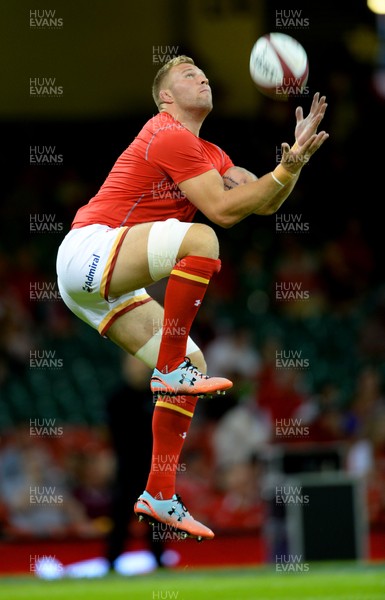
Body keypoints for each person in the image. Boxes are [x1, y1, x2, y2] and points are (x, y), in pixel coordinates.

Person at [56, 55, 329, 541]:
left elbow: (260, 200)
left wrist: (292, 165)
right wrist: (282, 171)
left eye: (203, 73)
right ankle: (168, 369)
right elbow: (224, 212)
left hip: (98, 283)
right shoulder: (167, 133)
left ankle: (158, 493)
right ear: (165, 97)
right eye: (187, 74)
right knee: (202, 240)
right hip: (89, 250)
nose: (201, 77)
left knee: (193, 362)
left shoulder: (211, 154)